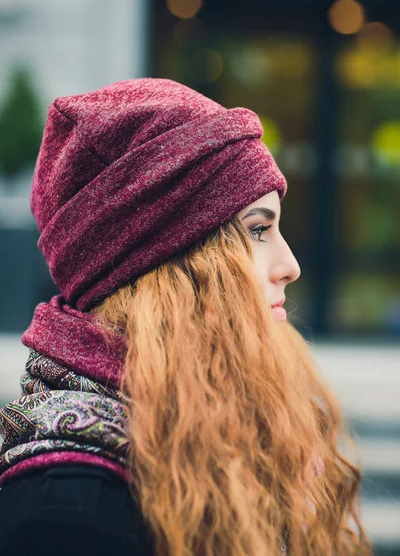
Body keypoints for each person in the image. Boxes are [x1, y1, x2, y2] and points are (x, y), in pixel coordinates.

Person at [0, 78, 371, 556]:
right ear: (166, 265)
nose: (290, 265)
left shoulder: (209, 427)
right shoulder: (68, 512)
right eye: (258, 230)